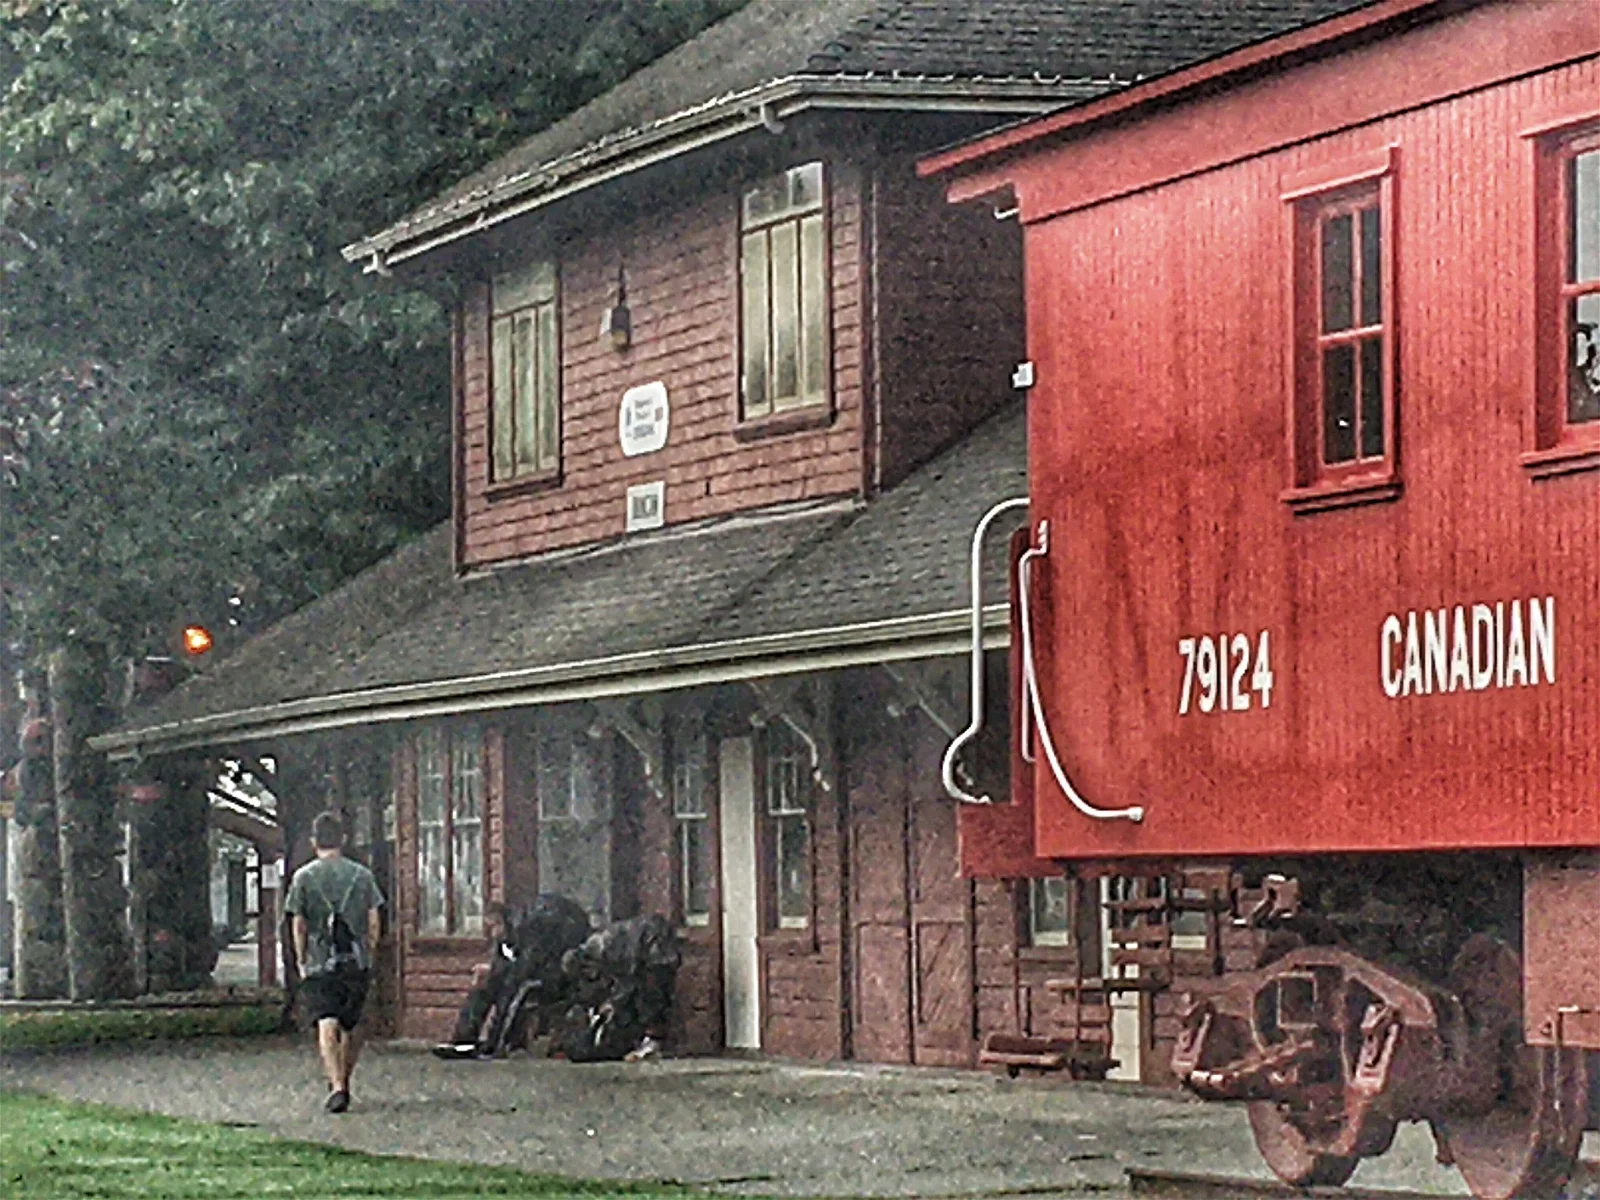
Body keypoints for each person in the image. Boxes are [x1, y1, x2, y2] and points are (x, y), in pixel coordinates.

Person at [283, 810, 385, 1113]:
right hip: (355, 959)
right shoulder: (362, 876)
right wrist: (370, 952)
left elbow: (299, 923)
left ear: (314, 841)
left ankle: (337, 1085)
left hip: (319, 960)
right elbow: (374, 919)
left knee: (326, 1021)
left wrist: (301, 957)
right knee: (351, 1024)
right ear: (343, 839)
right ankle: (345, 1078)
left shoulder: (303, 877)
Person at [433, 893, 591, 1060]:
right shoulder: (505, 940)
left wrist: (501, 972)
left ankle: (496, 1044)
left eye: (495, 926)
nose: (493, 933)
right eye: (490, 928)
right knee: (483, 987)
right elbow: (503, 963)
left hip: (549, 977)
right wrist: (490, 972)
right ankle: (463, 1041)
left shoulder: (529, 933)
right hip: (522, 973)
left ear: (505, 922)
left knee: (511, 991)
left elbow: (526, 967)